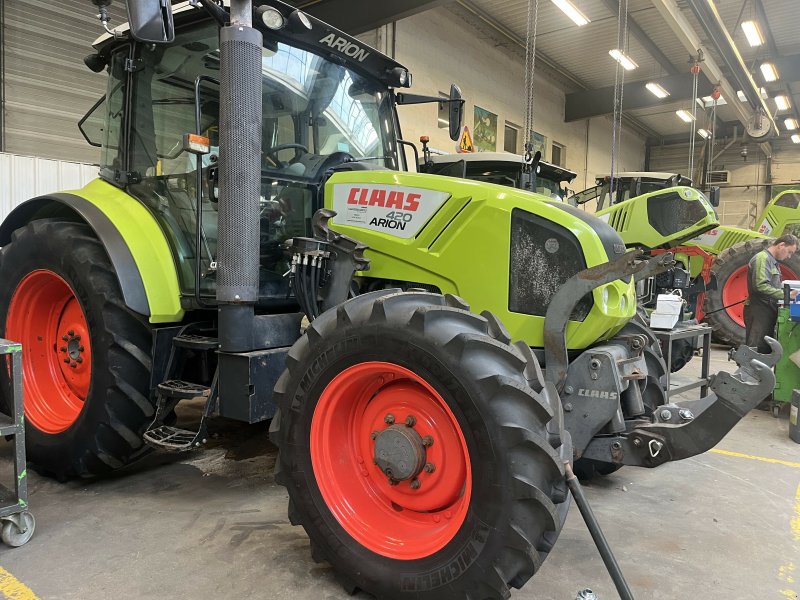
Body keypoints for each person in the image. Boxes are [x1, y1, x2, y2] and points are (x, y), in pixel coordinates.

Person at [744, 233, 799, 353]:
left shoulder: (771, 261)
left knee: (764, 348)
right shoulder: (762, 259)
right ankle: (748, 371)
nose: (789, 256)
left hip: (766, 308)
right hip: (758, 309)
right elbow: (760, 285)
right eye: (789, 252)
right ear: (781, 245)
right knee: (755, 349)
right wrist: (786, 295)